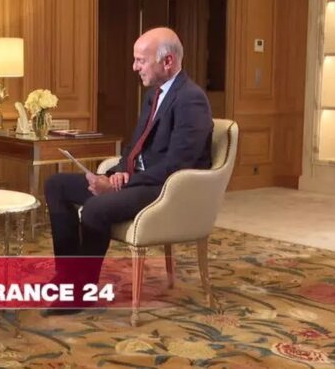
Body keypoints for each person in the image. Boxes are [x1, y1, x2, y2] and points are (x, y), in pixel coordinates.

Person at [44, 27, 213, 315]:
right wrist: (119, 172)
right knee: (56, 184)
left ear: (168, 61)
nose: (135, 67)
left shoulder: (191, 99)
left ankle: (80, 292)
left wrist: (124, 183)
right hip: (141, 180)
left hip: (165, 188)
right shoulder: (153, 95)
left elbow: (177, 165)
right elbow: (135, 145)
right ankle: (68, 277)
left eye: (141, 61)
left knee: (96, 208)